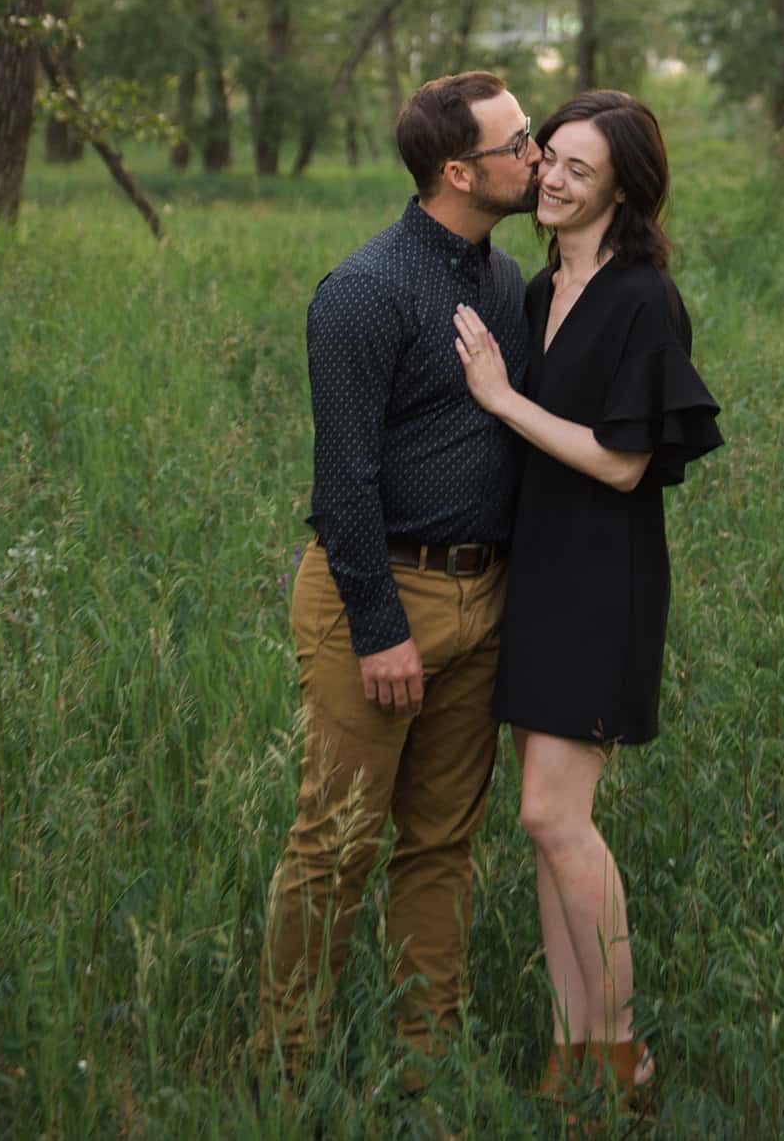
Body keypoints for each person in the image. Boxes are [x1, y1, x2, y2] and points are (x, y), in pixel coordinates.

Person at [260, 69, 538, 1089]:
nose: (536, 154)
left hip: (483, 597)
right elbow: (344, 483)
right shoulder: (365, 292)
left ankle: (429, 1068)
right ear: (459, 171)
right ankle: (288, 1072)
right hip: (376, 595)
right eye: (519, 144)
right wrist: (380, 629)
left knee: (441, 845)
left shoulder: (503, 281)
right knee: (335, 847)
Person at [452, 89, 722, 1114]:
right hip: (536, 570)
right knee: (545, 827)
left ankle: (621, 1056)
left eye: (580, 169)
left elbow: (621, 467)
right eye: (548, 158)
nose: (553, 179)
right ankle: (577, 1051)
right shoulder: (535, 290)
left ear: (624, 188)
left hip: (602, 578)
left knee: (554, 817)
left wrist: (502, 399)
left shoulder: (641, 298)